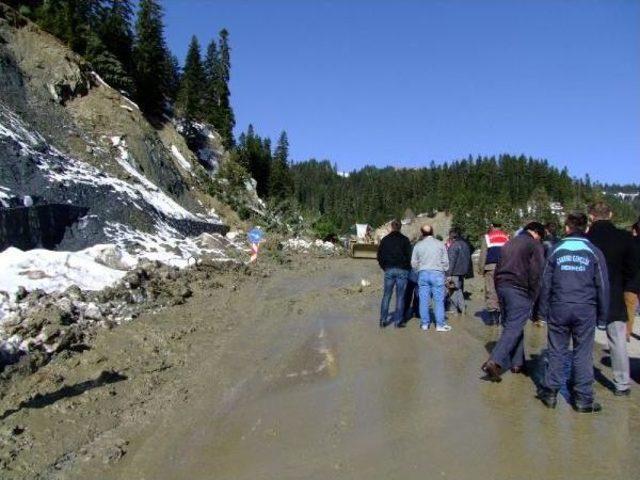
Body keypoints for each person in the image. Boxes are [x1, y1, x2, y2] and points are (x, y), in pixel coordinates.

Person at [537, 212, 609, 413]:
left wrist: (541, 313)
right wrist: (603, 317)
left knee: (556, 350)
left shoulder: (555, 250)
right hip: (585, 309)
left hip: (559, 307)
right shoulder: (594, 251)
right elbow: (603, 285)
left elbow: (545, 284)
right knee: (583, 353)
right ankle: (583, 399)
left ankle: (550, 393)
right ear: (585, 229)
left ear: (566, 228)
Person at [481, 222, 545, 381]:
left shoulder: (509, 243)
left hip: (502, 286)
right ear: (537, 233)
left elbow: (497, 268)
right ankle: (494, 361)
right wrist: (534, 296)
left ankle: (518, 363)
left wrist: (497, 288)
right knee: (514, 326)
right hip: (520, 288)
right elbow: (537, 273)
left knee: (514, 324)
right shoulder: (534, 244)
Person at [587, 202, 638, 396]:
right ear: (611, 214)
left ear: (591, 217)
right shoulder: (624, 238)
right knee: (617, 340)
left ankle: (582, 378)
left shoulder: (586, 239)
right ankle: (622, 384)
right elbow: (633, 268)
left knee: (583, 338)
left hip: (589, 294)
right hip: (615, 294)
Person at [411, 224, 451, 331]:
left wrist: (418, 270)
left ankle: (424, 324)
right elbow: (446, 262)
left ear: (422, 233)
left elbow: (413, 263)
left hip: (423, 273)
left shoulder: (418, 245)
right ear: (432, 232)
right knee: (438, 300)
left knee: (423, 300)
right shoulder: (440, 244)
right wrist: (445, 272)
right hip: (437, 273)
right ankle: (440, 325)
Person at [377, 219, 412, 328]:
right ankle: (398, 322)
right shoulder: (405, 240)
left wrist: (385, 267)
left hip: (389, 269)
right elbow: (410, 256)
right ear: (400, 227)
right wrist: (407, 268)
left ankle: (383, 320)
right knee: (400, 297)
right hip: (402, 270)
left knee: (387, 295)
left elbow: (379, 256)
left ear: (391, 227)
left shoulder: (385, 240)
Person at [477, 222, 510, 325]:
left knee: (491, 290)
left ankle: (492, 316)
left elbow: (483, 254)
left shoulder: (487, 237)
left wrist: (481, 269)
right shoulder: (506, 237)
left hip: (491, 267)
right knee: (501, 290)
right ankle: (500, 315)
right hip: (504, 268)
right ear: (501, 226)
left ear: (491, 226)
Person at [446, 227, 471, 315]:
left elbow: (451, 260)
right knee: (458, 289)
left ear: (452, 235)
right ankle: (460, 309)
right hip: (463, 271)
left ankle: (457, 310)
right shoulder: (465, 244)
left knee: (452, 290)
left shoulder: (454, 245)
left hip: (454, 271)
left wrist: (448, 274)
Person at [624, 222, 640, 341]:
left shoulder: (630, 243)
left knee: (629, 310)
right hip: (632, 280)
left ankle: (626, 334)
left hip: (631, 280)